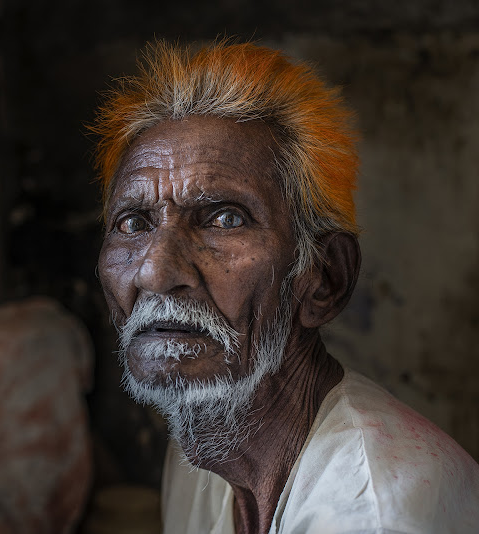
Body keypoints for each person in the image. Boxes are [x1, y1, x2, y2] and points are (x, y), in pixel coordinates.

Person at [91, 40, 479, 533]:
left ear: (323, 279)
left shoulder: (374, 512)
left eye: (225, 218)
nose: (156, 272)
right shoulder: (199, 444)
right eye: (133, 223)